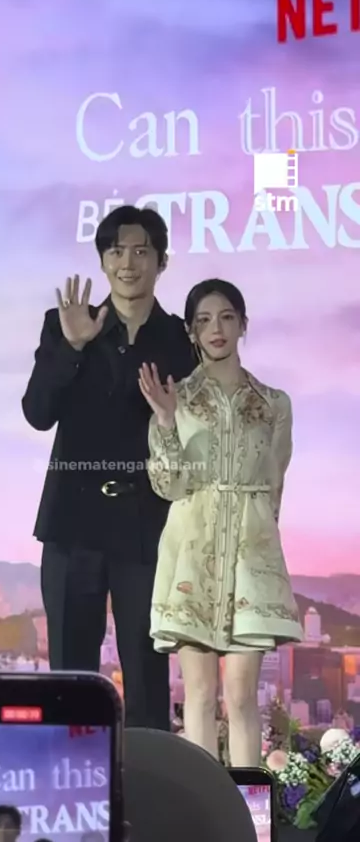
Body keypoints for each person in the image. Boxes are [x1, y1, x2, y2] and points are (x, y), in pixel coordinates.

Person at [21, 205, 195, 730]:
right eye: (116, 251)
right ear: (102, 261)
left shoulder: (181, 340)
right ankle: (69, 773)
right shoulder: (65, 325)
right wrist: (73, 346)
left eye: (141, 251)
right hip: (72, 525)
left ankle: (147, 777)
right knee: (70, 676)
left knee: (147, 677)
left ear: (161, 262)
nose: (128, 263)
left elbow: (195, 439)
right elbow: (37, 412)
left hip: (147, 527)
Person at [138, 278, 303, 765]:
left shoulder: (273, 403)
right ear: (191, 331)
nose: (216, 329)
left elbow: (274, 483)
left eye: (227, 317)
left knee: (242, 696)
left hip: (251, 557)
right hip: (192, 554)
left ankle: (250, 811)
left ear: (243, 324)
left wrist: (259, 542)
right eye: (204, 320)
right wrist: (166, 422)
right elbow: (167, 485)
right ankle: (205, 808)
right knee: (199, 694)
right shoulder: (177, 398)